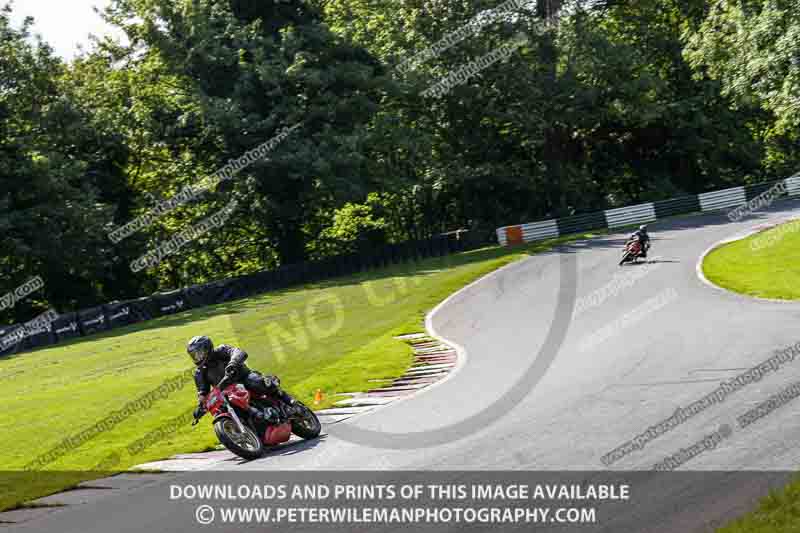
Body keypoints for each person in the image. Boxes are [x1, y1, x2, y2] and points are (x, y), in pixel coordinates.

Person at [187, 335, 297, 424]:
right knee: (222, 408)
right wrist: (200, 407)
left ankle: (288, 400)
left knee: (255, 382)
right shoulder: (199, 373)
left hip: (243, 378)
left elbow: (238, 352)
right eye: (194, 355)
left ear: (207, 348)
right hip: (227, 391)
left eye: (199, 353)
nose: (197, 357)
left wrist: (233, 362)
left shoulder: (221, 350)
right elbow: (203, 392)